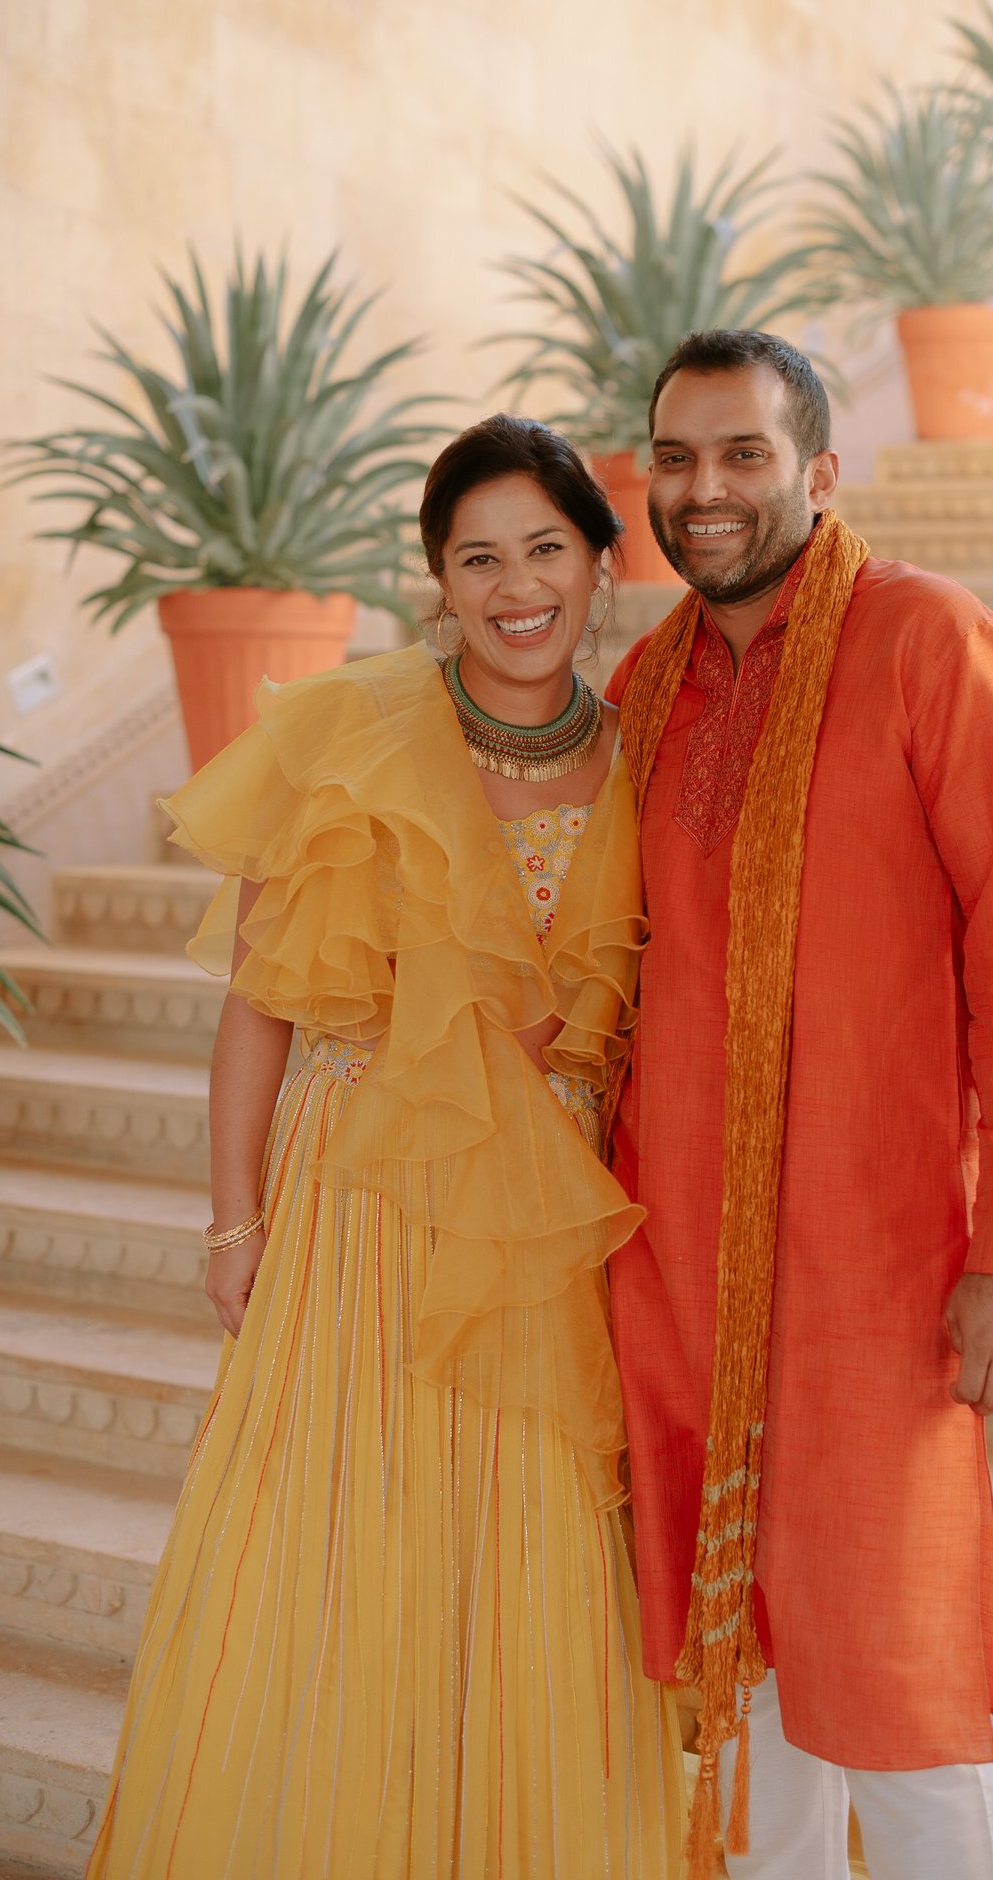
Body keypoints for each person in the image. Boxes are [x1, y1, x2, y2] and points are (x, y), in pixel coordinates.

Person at [86, 414, 685, 1880]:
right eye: (476, 557)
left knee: (530, 1552)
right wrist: (234, 1222)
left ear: (602, 563)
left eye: (545, 547)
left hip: (546, 1228)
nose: (514, 585)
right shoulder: (350, 734)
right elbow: (256, 1012)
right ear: (435, 581)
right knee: (345, 1542)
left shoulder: (651, 755)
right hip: (358, 1212)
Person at [604, 330, 993, 1880]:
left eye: (743, 455)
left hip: (872, 1272)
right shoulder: (647, 679)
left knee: (891, 1672)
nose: (705, 490)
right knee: (738, 1676)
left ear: (819, 471)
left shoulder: (929, 640)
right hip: (674, 1267)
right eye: (676, 459)